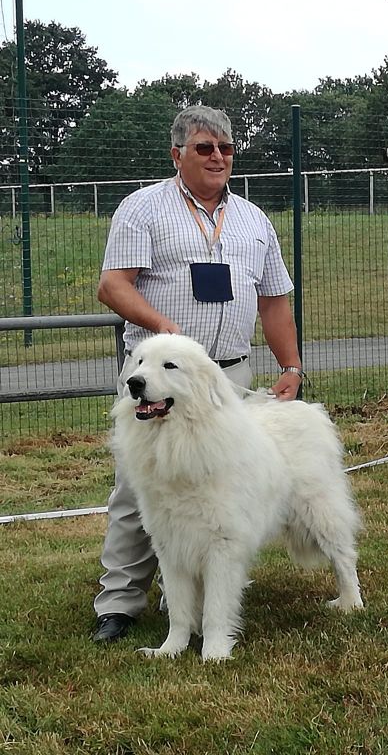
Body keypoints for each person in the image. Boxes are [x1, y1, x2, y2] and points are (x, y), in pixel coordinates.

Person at [91, 105, 304, 643]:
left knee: (219, 489)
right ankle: (119, 602)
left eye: (226, 149)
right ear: (177, 154)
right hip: (158, 375)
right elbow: (113, 285)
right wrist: (164, 329)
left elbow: (275, 300)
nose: (218, 158)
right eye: (205, 148)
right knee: (141, 491)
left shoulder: (254, 220)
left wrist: (291, 365)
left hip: (226, 377)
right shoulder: (143, 209)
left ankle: (198, 596)